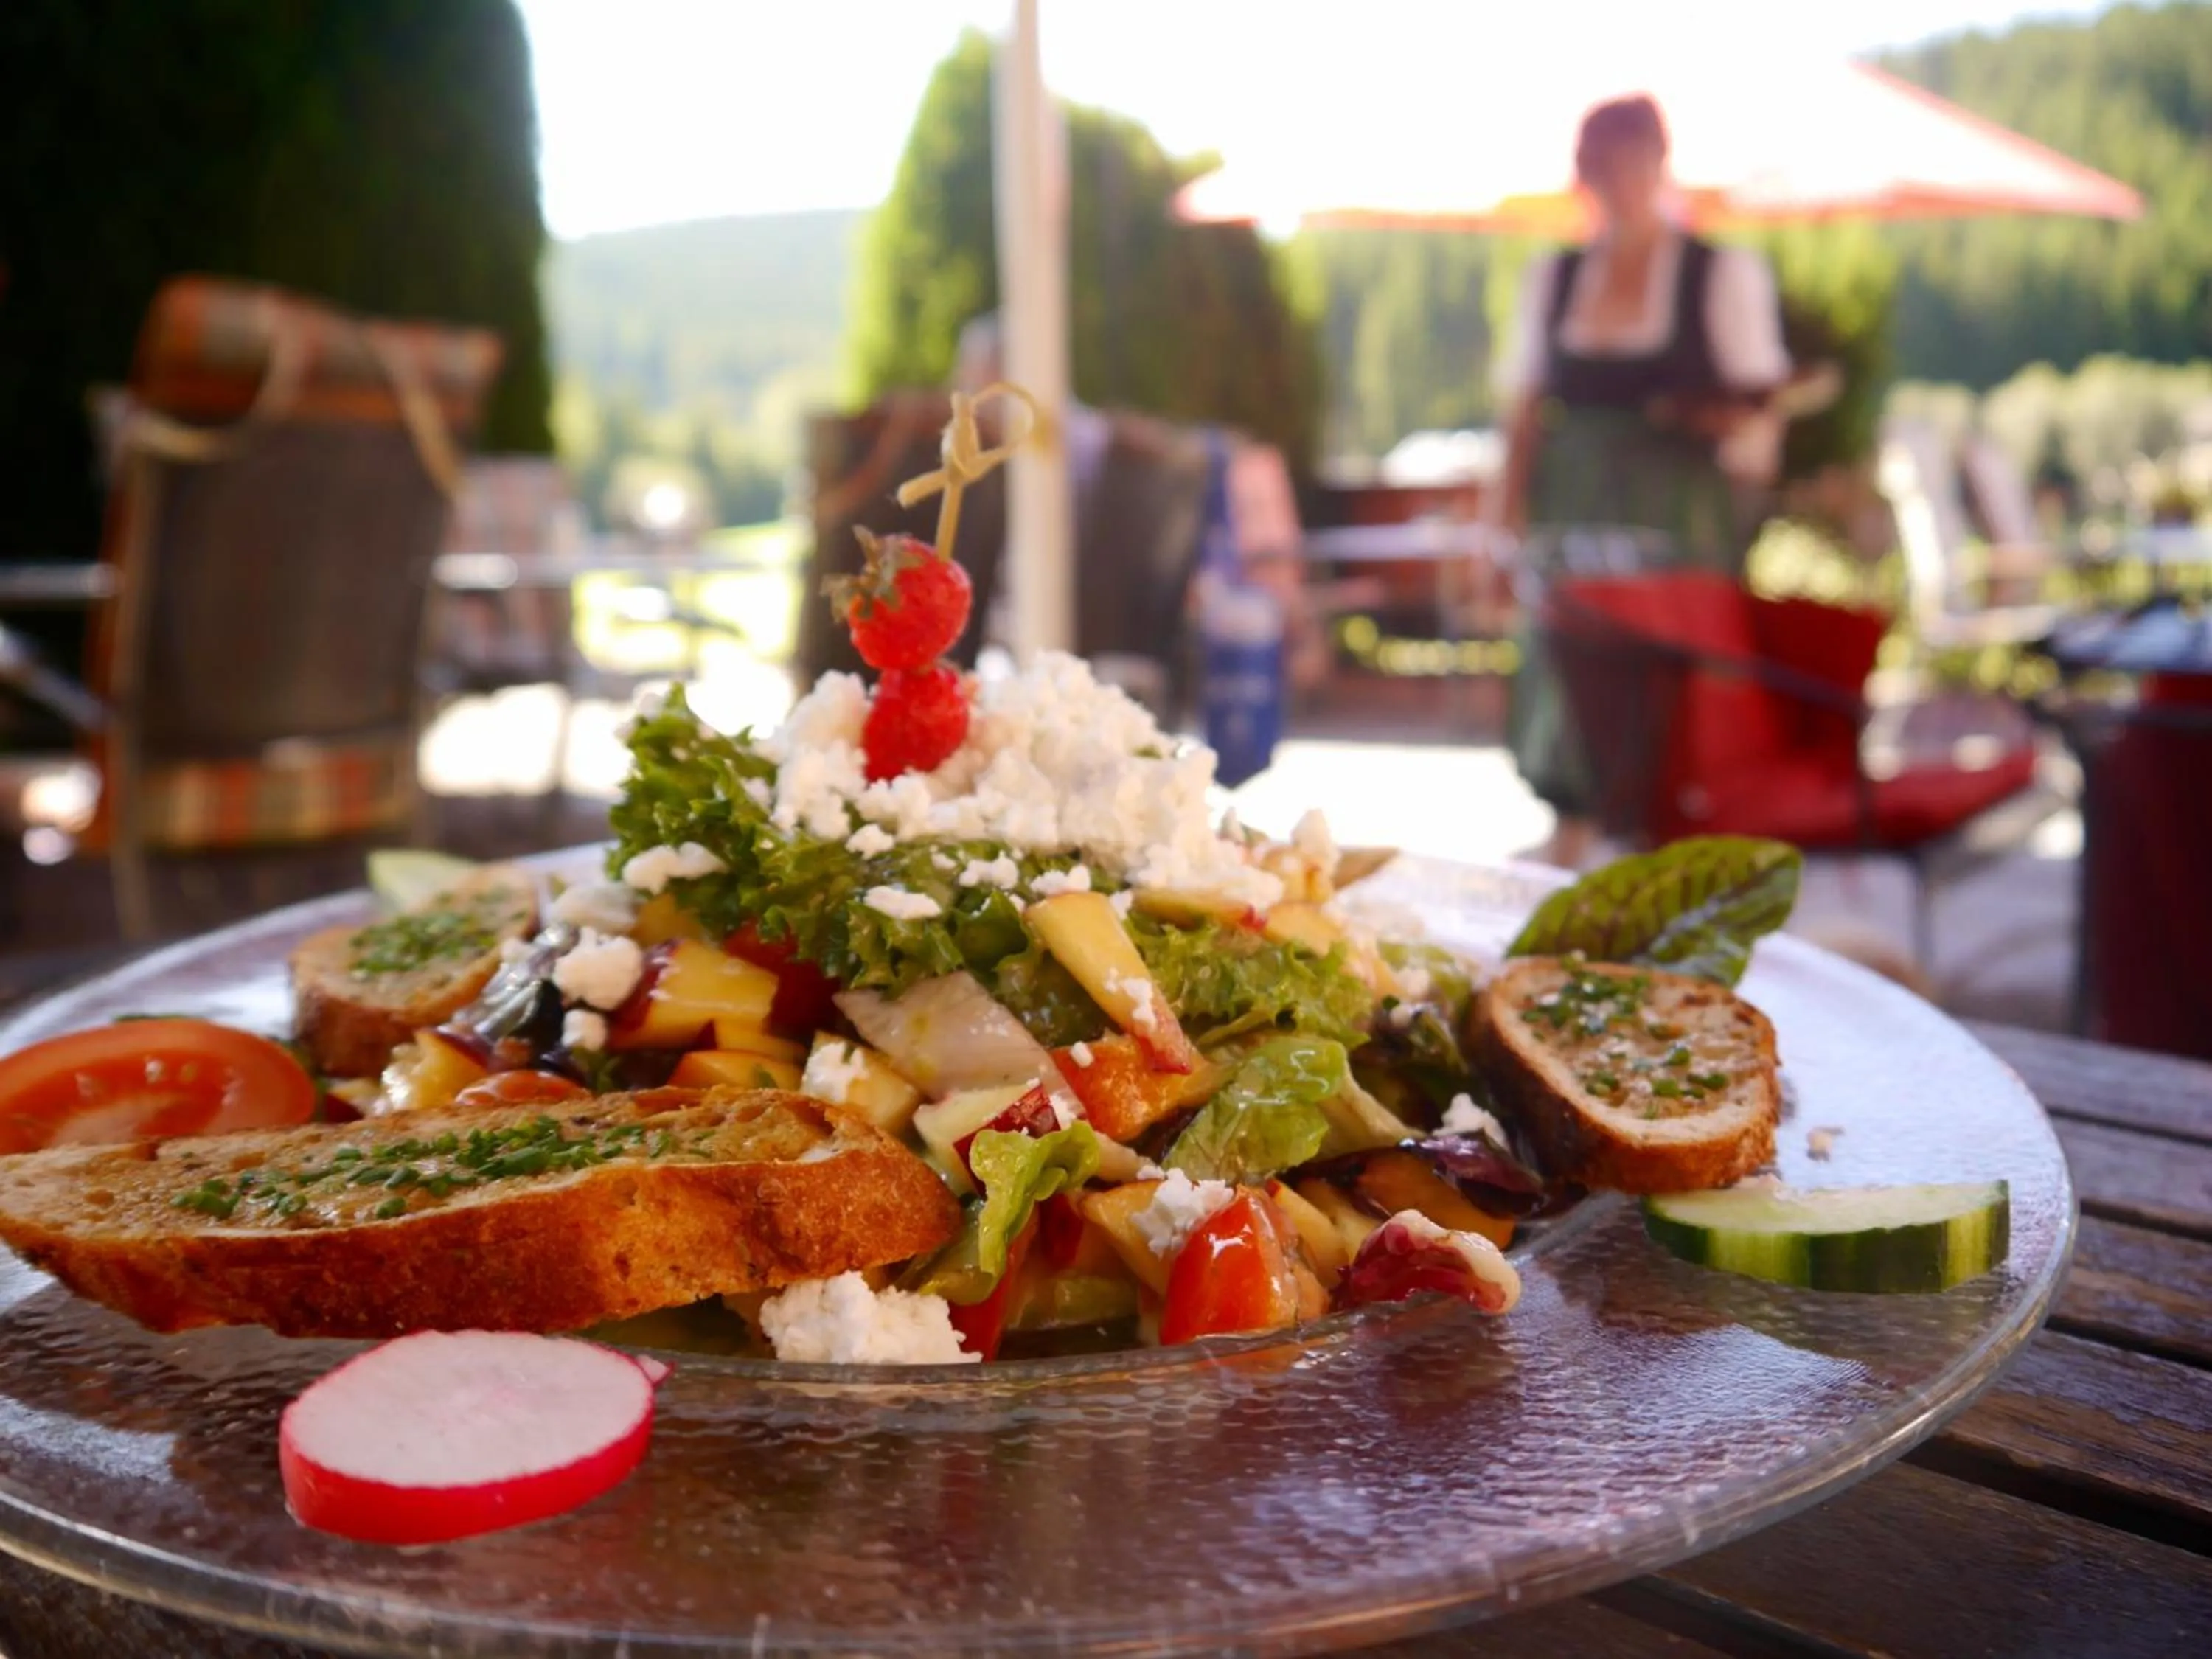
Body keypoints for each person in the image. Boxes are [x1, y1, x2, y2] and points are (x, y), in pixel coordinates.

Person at [1486, 94, 1792, 867]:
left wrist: (1713, 421)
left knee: (1667, 681)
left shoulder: (1719, 273)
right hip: (1574, 504)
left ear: (1659, 164)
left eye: (1630, 163)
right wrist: (1502, 520)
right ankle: (1574, 839)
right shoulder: (1554, 279)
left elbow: (1760, 413)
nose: (1616, 181)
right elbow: (1524, 410)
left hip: (1676, 510)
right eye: (1601, 166)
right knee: (1568, 667)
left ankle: (1664, 845)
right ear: (1584, 173)